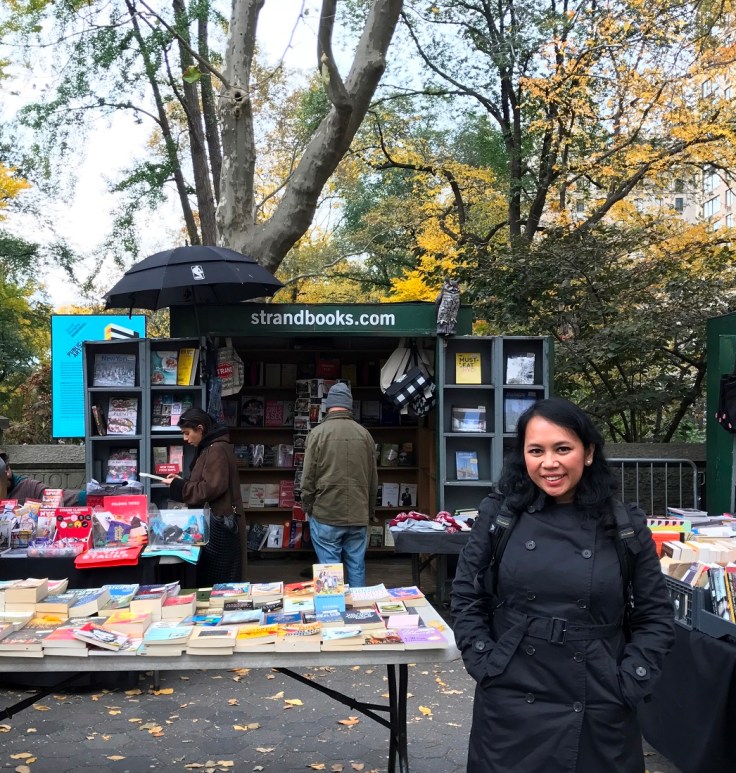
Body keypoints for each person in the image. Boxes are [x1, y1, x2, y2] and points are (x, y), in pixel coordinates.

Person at [451, 397, 675, 773]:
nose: (549, 463)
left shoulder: (624, 523)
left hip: (599, 698)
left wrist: (631, 681)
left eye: (563, 449)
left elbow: (655, 615)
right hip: (511, 695)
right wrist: (484, 660)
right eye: (536, 450)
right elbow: (465, 595)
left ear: (587, 453)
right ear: (522, 455)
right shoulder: (499, 514)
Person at [300, 382, 378, 589]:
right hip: (358, 514)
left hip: (327, 513)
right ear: (349, 406)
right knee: (357, 566)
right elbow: (373, 479)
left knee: (329, 569)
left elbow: (308, 477)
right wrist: (369, 510)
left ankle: (332, 613)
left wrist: (307, 505)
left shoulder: (317, 434)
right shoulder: (365, 435)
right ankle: (359, 612)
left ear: (329, 406)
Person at [162, 407, 244, 586]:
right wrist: (182, 482)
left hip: (219, 525)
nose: (185, 438)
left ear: (200, 428)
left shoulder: (216, 449)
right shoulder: (211, 446)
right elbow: (207, 480)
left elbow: (212, 487)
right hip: (216, 522)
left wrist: (180, 487)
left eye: (187, 433)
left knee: (218, 581)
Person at [0, 448, 85, 506]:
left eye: (7, 468)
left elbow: (60, 497)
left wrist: (90, 497)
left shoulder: (28, 487)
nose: (7, 475)